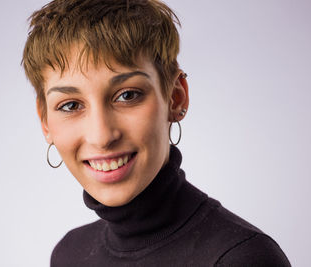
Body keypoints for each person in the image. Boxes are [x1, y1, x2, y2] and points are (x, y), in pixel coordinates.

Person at [22, 0, 291, 266]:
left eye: (127, 95)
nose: (101, 136)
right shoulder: (69, 253)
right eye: (70, 105)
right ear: (45, 121)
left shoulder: (241, 258)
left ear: (175, 98)